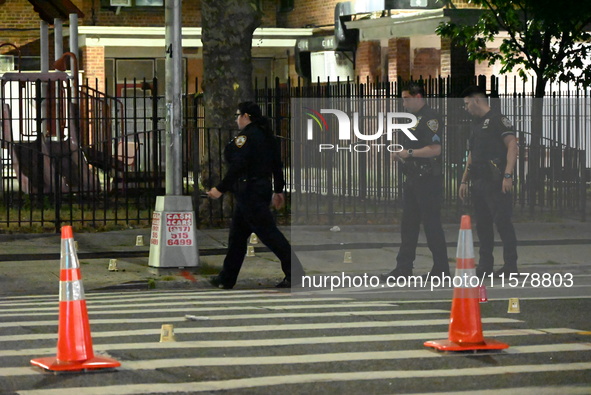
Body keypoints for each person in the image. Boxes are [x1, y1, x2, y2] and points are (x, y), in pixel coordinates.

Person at [206, 101, 304, 289]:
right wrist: (278, 190)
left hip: (249, 191)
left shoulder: (246, 138)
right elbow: (277, 165)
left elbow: (238, 165)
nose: (236, 120)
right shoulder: (267, 136)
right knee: (237, 237)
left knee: (269, 234)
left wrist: (220, 188)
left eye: (238, 115)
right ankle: (226, 278)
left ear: (246, 116)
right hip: (259, 189)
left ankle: (296, 274)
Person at [380, 84, 450, 282]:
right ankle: (403, 267)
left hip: (428, 179)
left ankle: (441, 268)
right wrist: (401, 154)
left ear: (418, 96)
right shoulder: (412, 120)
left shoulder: (430, 118)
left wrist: (409, 153)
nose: (404, 103)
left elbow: (435, 149)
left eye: (406, 98)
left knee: (431, 225)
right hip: (413, 178)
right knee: (408, 225)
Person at [459, 86, 519, 277]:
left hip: (496, 180)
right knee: (483, 225)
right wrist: (464, 181)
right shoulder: (475, 124)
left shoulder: (497, 120)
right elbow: (472, 154)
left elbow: (512, 145)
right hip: (479, 180)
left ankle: (511, 266)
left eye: (467, 103)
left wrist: (508, 175)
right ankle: (485, 265)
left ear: (477, 100)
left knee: (502, 222)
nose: (466, 107)